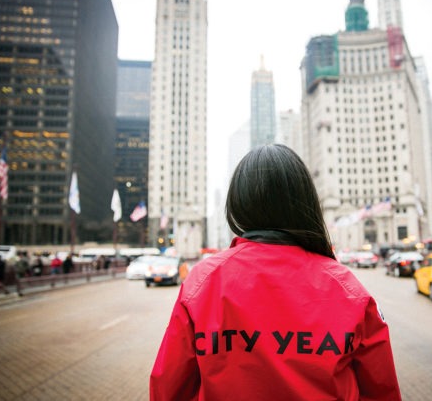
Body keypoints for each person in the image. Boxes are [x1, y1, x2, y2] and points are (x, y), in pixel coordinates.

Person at [150, 144, 401, 400]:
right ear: (304, 201)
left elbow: (168, 390)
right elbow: (382, 391)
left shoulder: (203, 282)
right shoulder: (348, 289)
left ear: (238, 203)